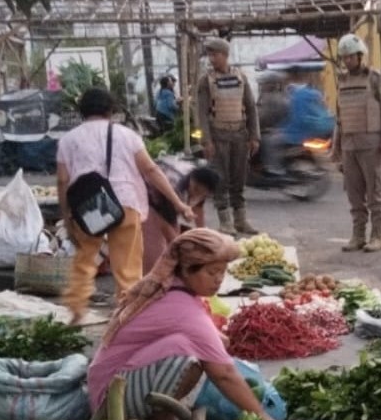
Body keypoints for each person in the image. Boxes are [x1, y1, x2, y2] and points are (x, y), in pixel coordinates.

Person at [86, 228, 281, 420]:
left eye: (222, 272)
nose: (219, 279)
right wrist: (262, 417)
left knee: (210, 345)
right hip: (109, 401)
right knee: (192, 355)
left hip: (111, 380)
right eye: (211, 272)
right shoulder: (181, 307)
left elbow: (217, 343)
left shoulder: (173, 289)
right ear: (187, 270)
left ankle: (159, 414)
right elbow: (224, 374)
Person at [57, 87, 194, 321]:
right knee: (128, 267)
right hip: (126, 203)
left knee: (85, 260)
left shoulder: (68, 140)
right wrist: (178, 203)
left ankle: (76, 308)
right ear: (111, 110)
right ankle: (126, 314)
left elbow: (62, 180)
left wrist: (67, 214)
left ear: (82, 112)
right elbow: (151, 170)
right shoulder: (126, 135)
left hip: (88, 207)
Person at [332, 34, 381, 252]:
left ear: (360, 56)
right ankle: (358, 235)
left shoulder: (375, 79)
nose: (347, 61)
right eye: (344, 58)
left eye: (351, 57)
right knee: (354, 194)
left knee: (375, 192)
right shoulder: (342, 80)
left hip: (371, 145)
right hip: (349, 146)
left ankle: (377, 235)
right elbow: (339, 116)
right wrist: (335, 147)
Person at [195, 37, 260, 236]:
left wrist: (254, 136)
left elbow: (250, 107)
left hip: (239, 135)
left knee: (239, 179)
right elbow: (201, 114)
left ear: (225, 55)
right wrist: (205, 141)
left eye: (215, 54)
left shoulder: (241, 77)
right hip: (218, 136)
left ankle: (241, 220)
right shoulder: (206, 81)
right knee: (220, 180)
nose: (212, 59)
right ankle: (225, 221)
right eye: (209, 55)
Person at [141, 158, 221, 273]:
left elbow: (198, 209)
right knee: (155, 251)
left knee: (173, 244)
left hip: (166, 206)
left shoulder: (201, 184)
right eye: (196, 189)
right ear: (192, 179)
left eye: (202, 193)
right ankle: (150, 281)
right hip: (147, 199)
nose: (197, 194)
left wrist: (203, 235)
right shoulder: (174, 184)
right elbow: (166, 222)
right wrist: (178, 245)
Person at [266, 66, 334, 176]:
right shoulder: (314, 92)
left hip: (299, 133)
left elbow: (294, 117)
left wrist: (280, 129)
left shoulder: (293, 93)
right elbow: (326, 110)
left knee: (271, 142)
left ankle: (276, 169)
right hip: (321, 129)